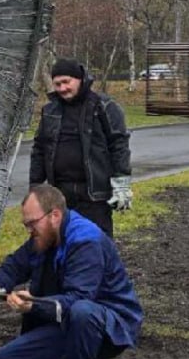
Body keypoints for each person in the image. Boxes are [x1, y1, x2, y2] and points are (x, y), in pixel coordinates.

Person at [0, 184, 143, 359]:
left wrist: (32, 306)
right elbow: (17, 263)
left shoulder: (86, 241)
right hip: (71, 321)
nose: (29, 230)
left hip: (109, 324)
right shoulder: (45, 237)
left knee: (82, 311)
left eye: (31, 223)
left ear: (54, 215)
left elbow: (78, 299)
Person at [30, 58, 132, 237]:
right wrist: (35, 187)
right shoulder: (50, 111)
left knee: (96, 243)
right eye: (57, 84)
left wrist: (121, 183)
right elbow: (40, 149)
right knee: (61, 243)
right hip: (60, 195)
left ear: (80, 79)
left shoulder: (104, 106)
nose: (62, 88)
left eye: (66, 82)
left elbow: (119, 145)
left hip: (94, 195)